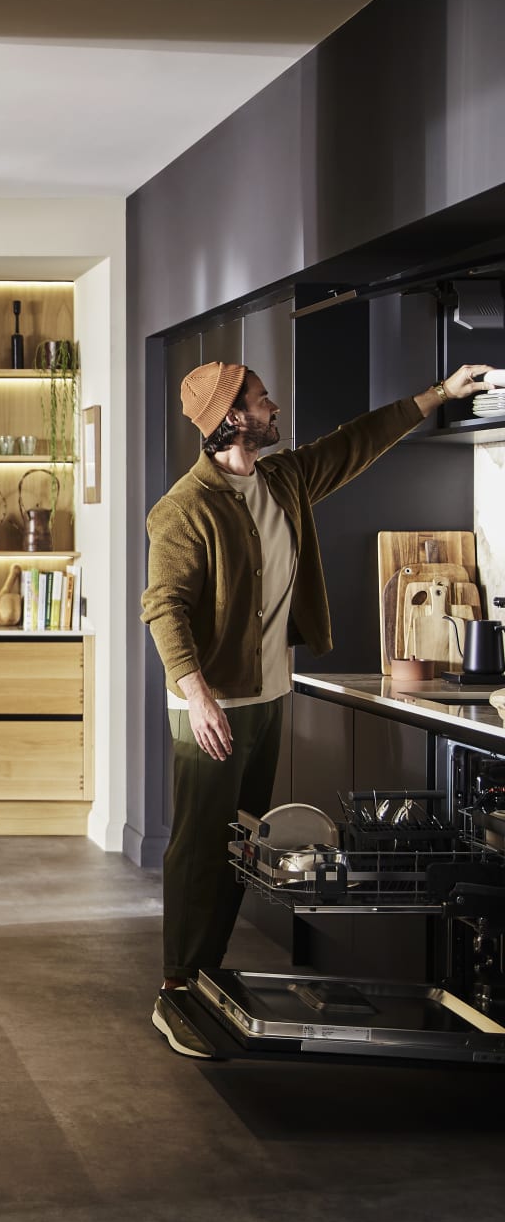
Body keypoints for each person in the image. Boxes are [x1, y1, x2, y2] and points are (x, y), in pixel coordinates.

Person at [141, 359, 493, 1057]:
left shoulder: (283, 479)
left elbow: (356, 441)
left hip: (267, 696)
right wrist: (200, 696)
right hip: (209, 706)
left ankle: (207, 973)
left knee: (241, 845)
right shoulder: (183, 508)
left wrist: (439, 394)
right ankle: (175, 989)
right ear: (231, 419)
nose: (275, 406)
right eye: (261, 399)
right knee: (197, 848)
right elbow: (164, 608)